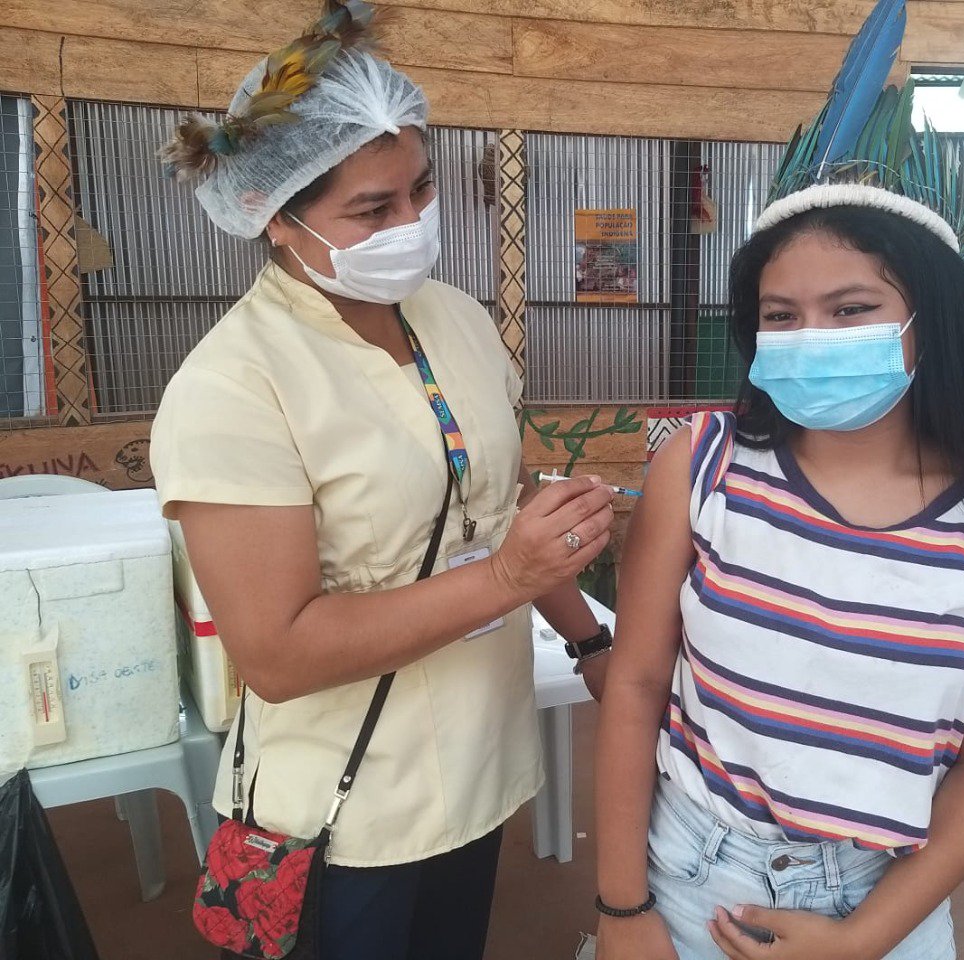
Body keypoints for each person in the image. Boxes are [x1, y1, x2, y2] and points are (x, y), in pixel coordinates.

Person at [151, 3, 616, 957]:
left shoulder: (456, 321)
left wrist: (587, 639)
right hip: (344, 808)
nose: (411, 224)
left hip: (478, 765)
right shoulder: (233, 387)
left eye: (421, 189)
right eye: (372, 209)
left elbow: (493, 509)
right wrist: (508, 579)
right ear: (275, 217)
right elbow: (277, 655)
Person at [593, 183, 964, 960]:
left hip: (882, 902)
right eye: (780, 315)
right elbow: (636, 685)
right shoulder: (702, 466)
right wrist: (621, 906)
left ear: (929, 321)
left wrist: (862, 939)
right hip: (691, 883)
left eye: (850, 309)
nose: (811, 337)